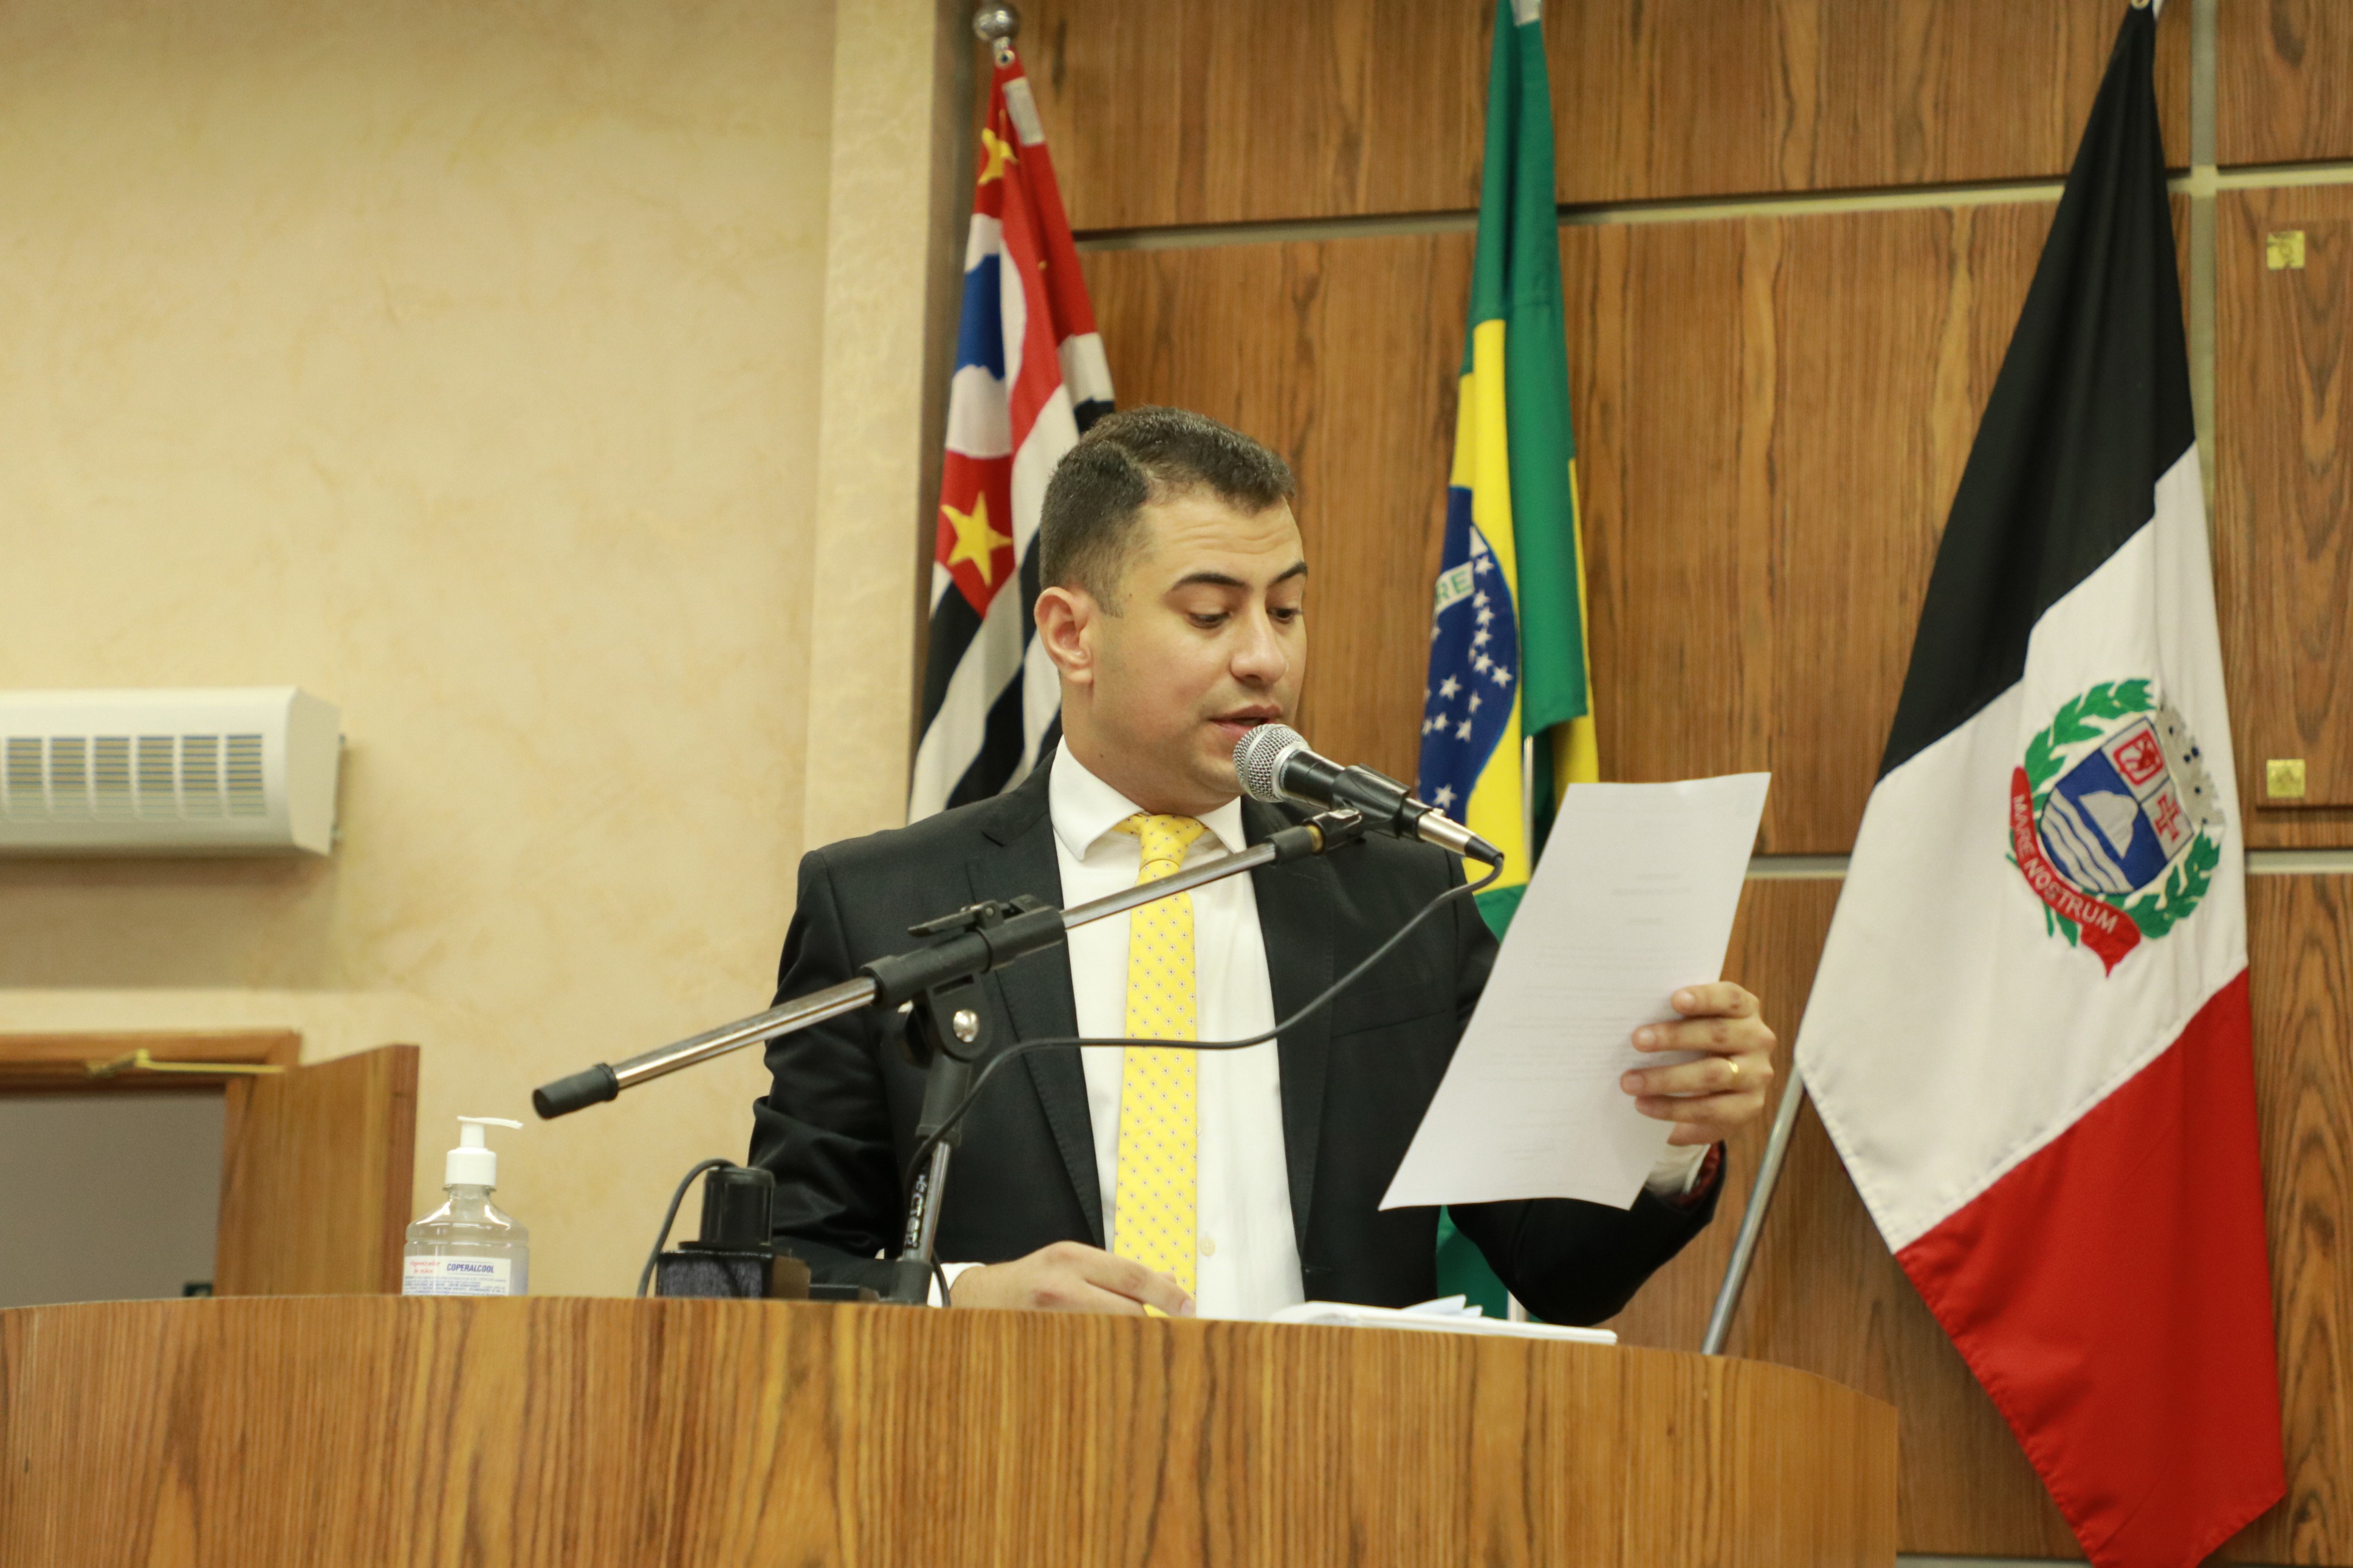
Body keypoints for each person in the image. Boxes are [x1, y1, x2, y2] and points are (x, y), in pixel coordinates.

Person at [751, 407, 1774, 1320]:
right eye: (1211, 614)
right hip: (1012, 1456)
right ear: (1070, 634)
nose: (1265, 658)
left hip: (1332, 1461)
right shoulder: (880, 906)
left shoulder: (1400, 900)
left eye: (1284, 610)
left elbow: (1555, 1266)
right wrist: (962, 1296)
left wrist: (1669, 1134)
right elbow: (778, 1267)